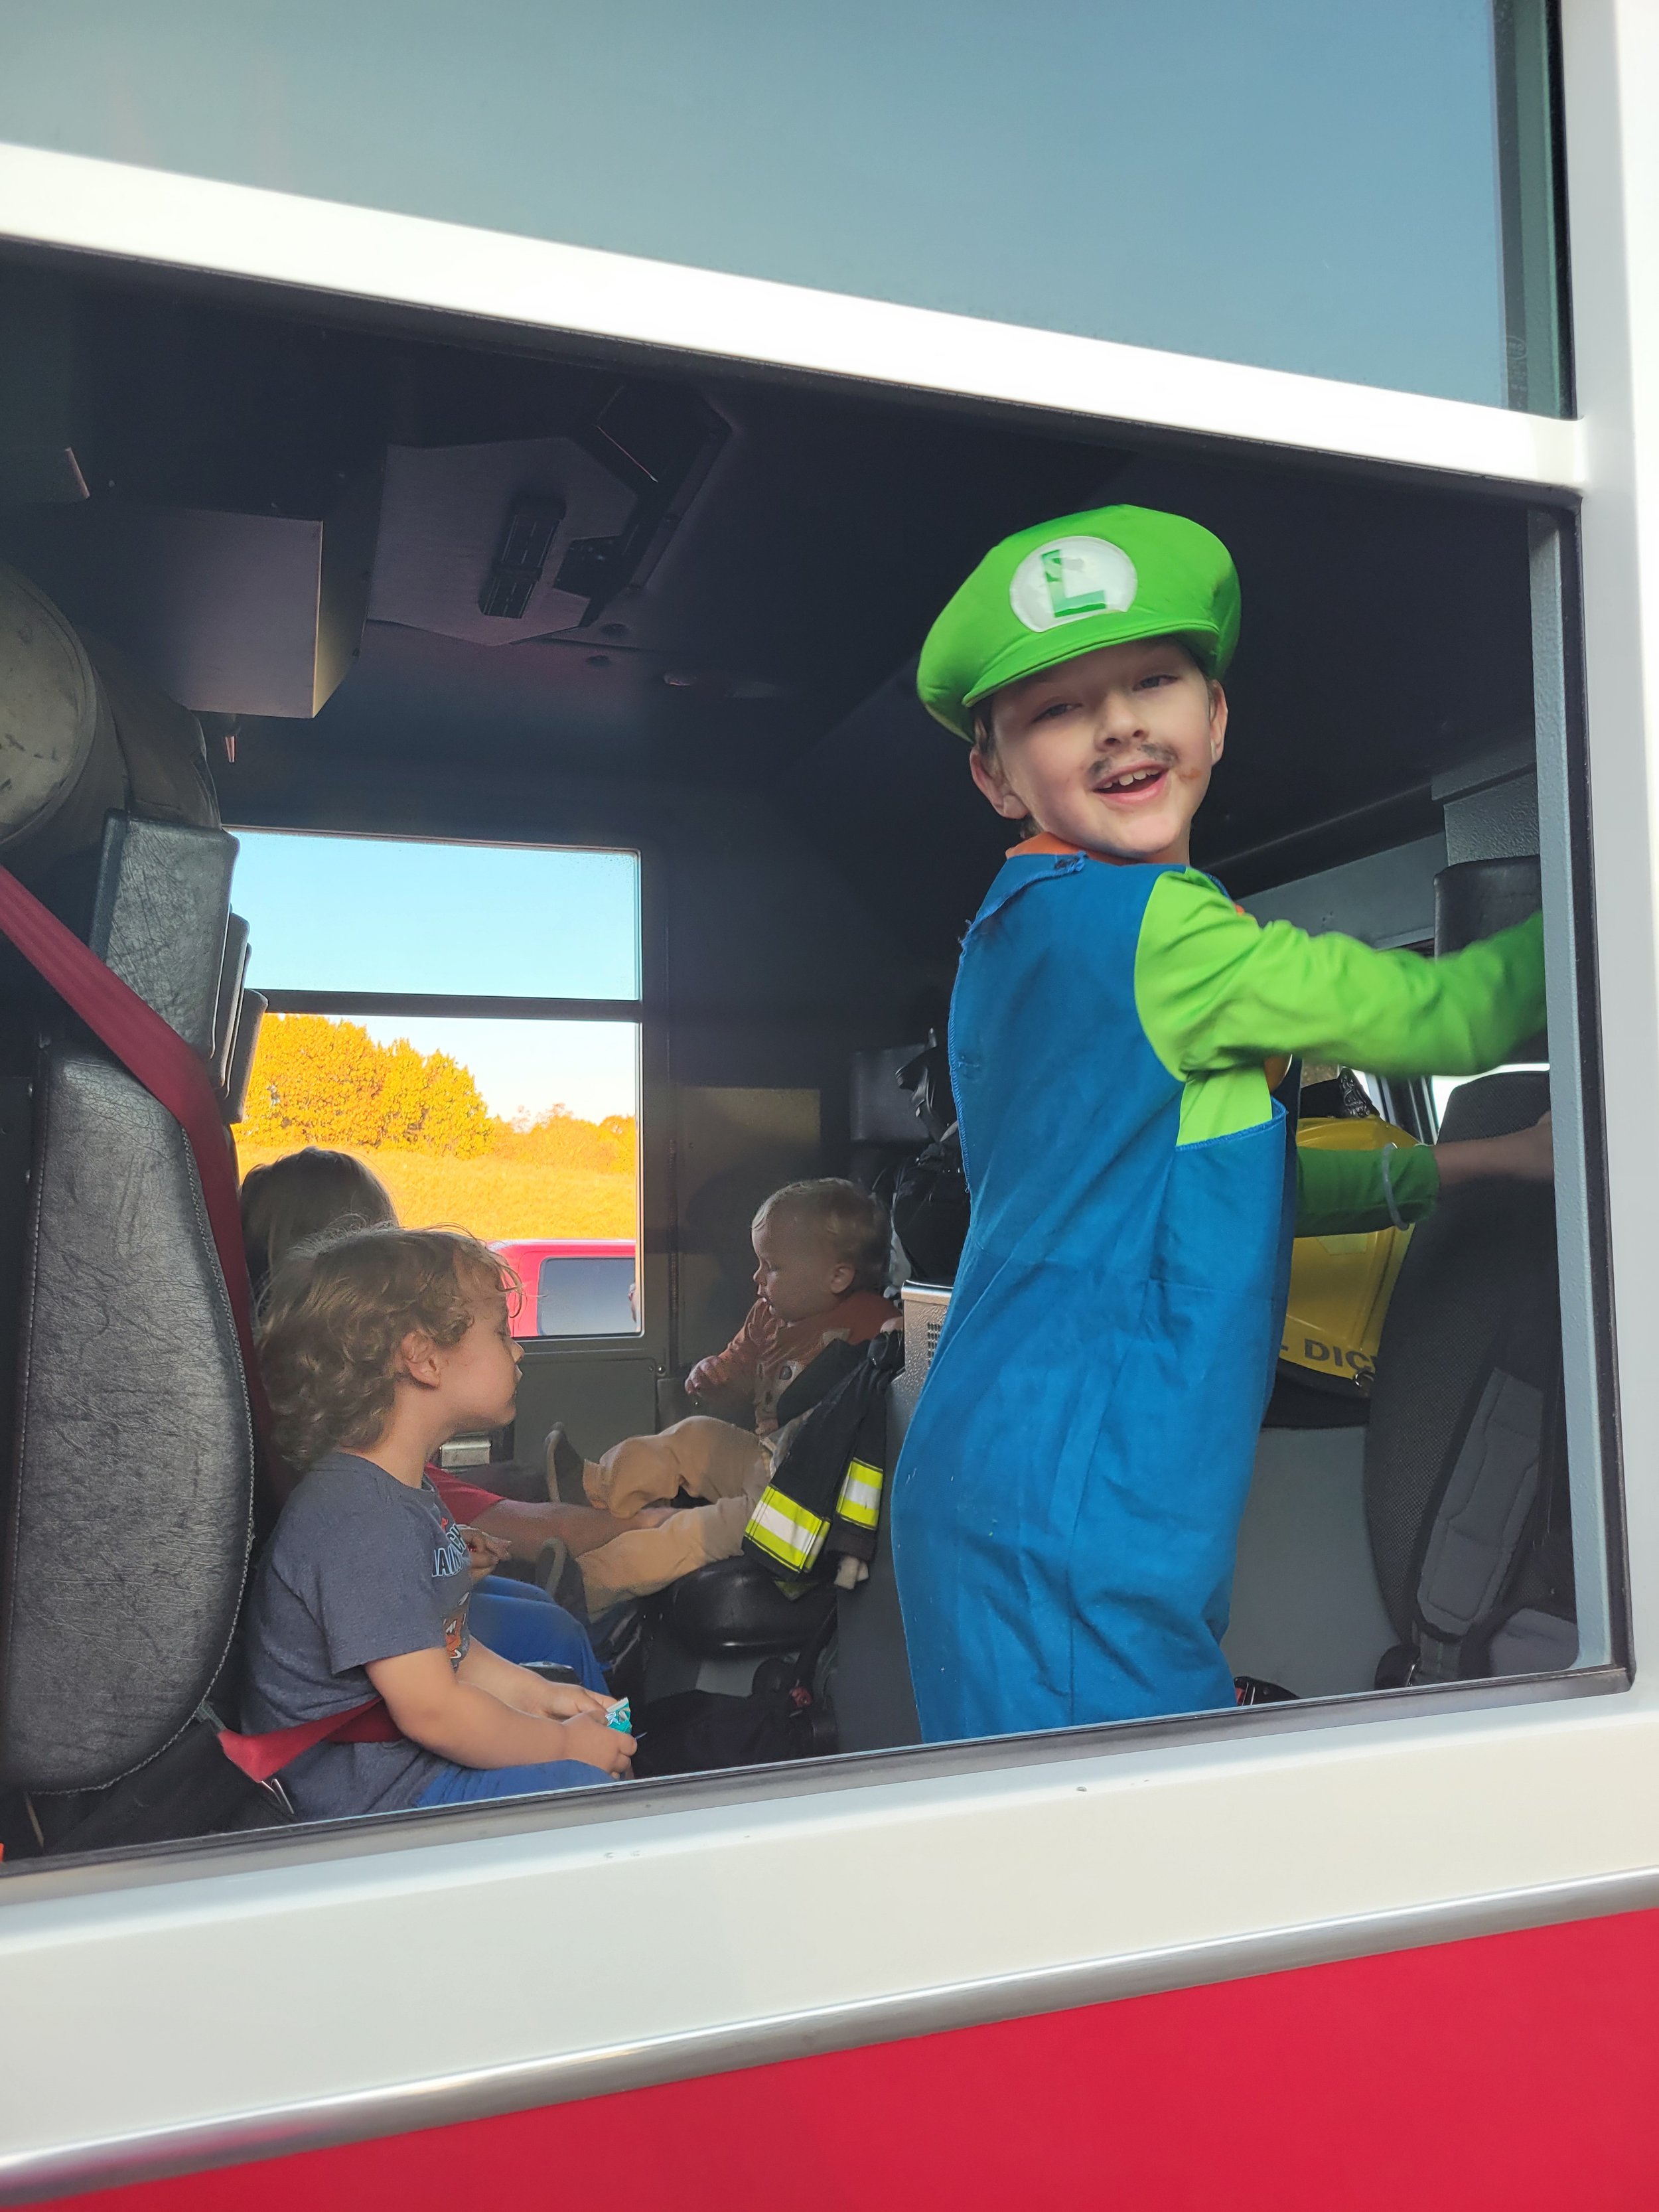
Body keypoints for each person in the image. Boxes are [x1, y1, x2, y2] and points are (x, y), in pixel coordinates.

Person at [891, 502, 1552, 1743]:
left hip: (1018, 1485)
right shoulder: (1166, 928)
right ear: (996, 776)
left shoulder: (1025, 920)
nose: (1120, 722)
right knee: (1119, 1837)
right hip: (1084, 1513)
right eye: (1060, 707)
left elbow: (1229, 1195)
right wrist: (1610, 890)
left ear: (1216, 716)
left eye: (1153, 680)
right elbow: (1453, 1015)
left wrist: (1499, 1158)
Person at [241, 1225, 636, 1818]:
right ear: (424, 1358)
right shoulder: (360, 1521)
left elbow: (454, 1651)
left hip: (397, 1766)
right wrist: (562, 1745)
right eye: (501, 1332)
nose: (517, 1351)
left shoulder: (402, 1492)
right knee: (588, 1789)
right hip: (372, 1797)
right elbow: (434, 1711)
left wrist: (546, 1698)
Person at [570, 1179, 898, 1605]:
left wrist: (899, 1329)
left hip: (799, 1496)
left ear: (837, 1276)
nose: (757, 1277)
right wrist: (714, 1375)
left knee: (691, 1533)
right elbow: (737, 1369)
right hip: (764, 1456)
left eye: (772, 1267)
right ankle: (595, 1487)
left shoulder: (871, 1319)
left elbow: (902, 1352)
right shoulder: (767, 1315)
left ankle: (586, 1584)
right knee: (692, 1434)